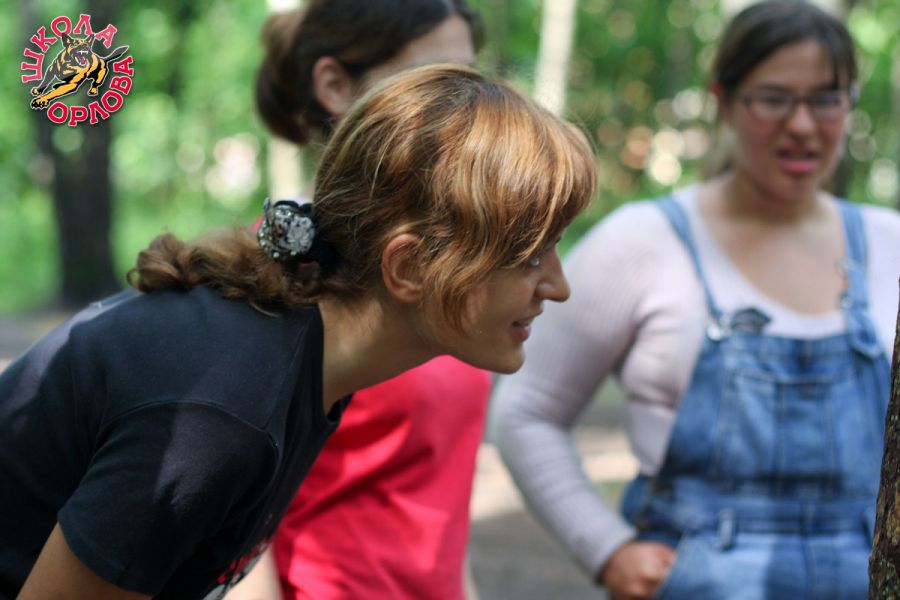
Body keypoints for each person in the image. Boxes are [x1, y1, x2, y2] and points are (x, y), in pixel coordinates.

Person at [0, 64, 596, 600]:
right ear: (410, 267)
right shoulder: (222, 414)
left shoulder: (305, 361)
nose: (559, 286)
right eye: (529, 255)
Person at [491, 2, 900, 599]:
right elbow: (526, 411)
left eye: (826, 99)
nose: (803, 125)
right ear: (722, 101)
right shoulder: (643, 243)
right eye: (774, 99)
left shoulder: (890, 245)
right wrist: (607, 550)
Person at [249, 3, 493, 599]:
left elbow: (441, 489)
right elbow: (235, 510)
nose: (464, 111)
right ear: (335, 85)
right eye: (433, 82)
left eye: (468, 83)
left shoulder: (453, 261)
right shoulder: (284, 266)